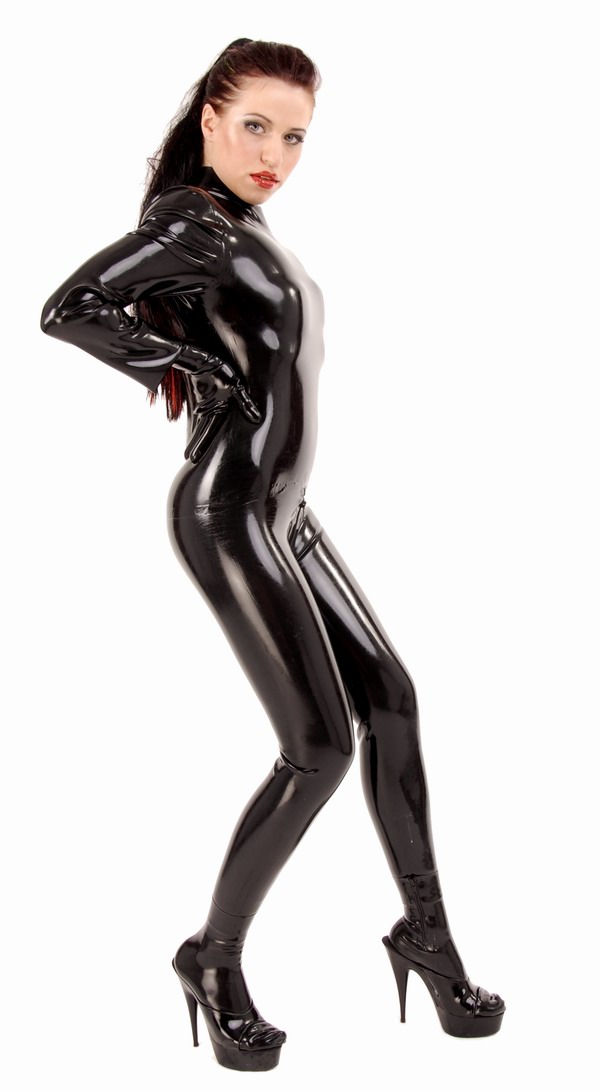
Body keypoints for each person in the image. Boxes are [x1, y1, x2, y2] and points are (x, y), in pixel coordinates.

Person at [40, 38, 505, 1073]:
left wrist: (199, 359)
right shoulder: (191, 223)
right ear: (209, 118)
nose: (276, 155)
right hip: (230, 510)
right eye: (256, 126)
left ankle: (427, 936)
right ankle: (211, 959)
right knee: (320, 746)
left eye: (295, 137)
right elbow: (68, 309)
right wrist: (186, 362)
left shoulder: (244, 225)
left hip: (288, 512)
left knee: (393, 701)